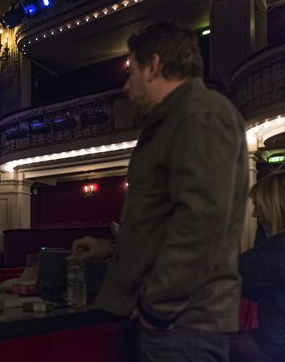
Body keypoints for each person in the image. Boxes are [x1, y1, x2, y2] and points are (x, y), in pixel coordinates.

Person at [70, 21, 248, 361]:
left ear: (153, 66)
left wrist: (156, 306)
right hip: (177, 323)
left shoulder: (201, 113)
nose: (126, 85)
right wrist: (111, 247)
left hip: (182, 326)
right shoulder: (180, 116)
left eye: (131, 71)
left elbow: (201, 222)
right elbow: (168, 221)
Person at [233, 168, 285, 361]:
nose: (254, 214)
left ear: (275, 206)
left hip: (275, 346)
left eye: (259, 206)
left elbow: (231, 276)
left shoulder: (277, 249)